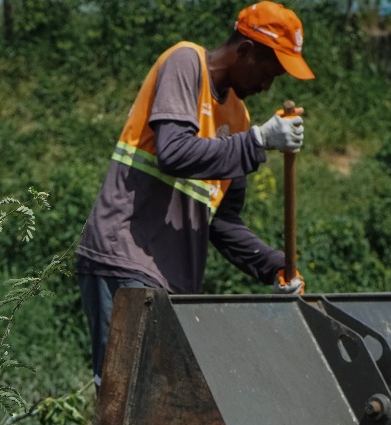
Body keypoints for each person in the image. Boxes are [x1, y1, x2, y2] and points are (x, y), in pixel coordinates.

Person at [75, 1, 315, 386]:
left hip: (171, 278)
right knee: (125, 398)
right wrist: (258, 142)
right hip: (126, 256)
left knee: (155, 406)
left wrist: (274, 266)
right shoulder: (186, 63)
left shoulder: (238, 117)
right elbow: (173, 153)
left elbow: (222, 222)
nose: (268, 86)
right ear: (245, 51)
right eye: (268, 72)